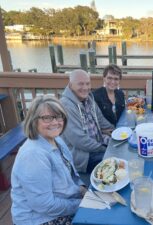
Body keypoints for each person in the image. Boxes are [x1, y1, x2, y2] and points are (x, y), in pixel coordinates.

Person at [11, 95, 86, 225]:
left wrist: (82, 188)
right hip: (40, 219)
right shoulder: (33, 155)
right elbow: (44, 205)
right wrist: (81, 204)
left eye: (58, 116)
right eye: (47, 118)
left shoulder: (57, 140)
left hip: (62, 205)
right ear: (34, 121)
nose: (55, 122)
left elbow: (72, 175)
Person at [60, 69, 114, 173]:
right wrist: (105, 149)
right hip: (82, 156)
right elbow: (79, 141)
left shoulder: (89, 99)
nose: (85, 88)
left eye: (87, 84)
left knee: (121, 145)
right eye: (80, 84)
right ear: (71, 85)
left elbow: (101, 120)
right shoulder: (66, 106)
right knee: (114, 157)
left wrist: (115, 131)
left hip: (96, 143)